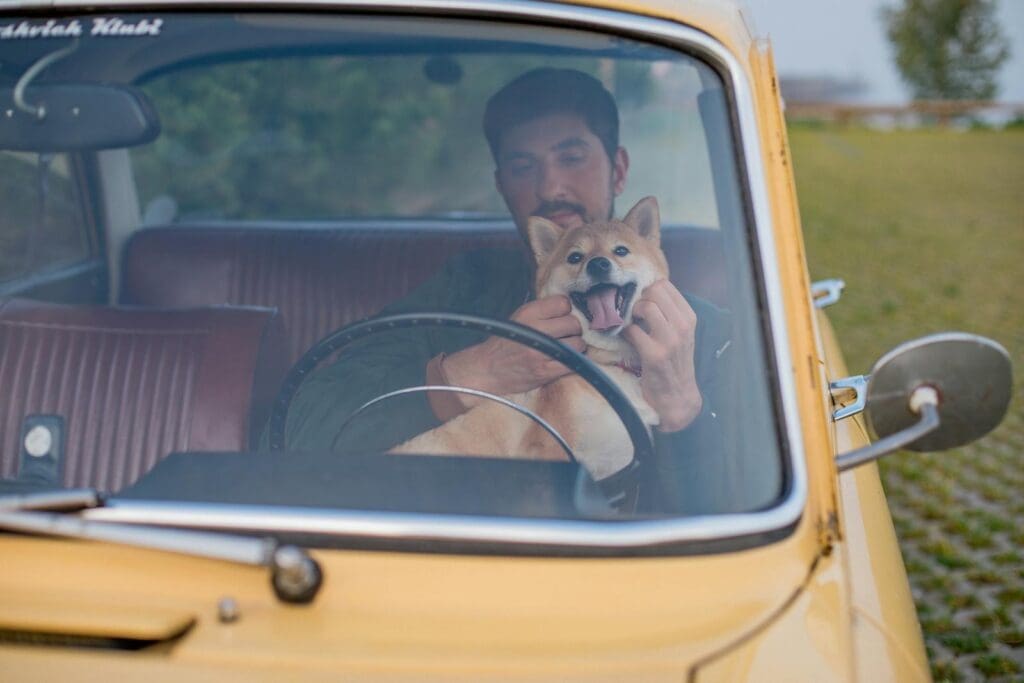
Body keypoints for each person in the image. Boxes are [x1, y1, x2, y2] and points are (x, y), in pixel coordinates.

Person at [281, 68, 733, 512]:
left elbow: (756, 516)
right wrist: (473, 373)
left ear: (617, 170)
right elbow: (298, 431)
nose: (550, 186)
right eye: (523, 166)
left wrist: (682, 410)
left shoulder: (705, 331)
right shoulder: (459, 293)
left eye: (572, 157)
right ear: (502, 186)